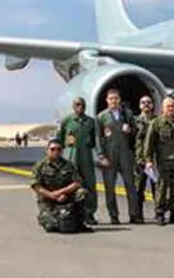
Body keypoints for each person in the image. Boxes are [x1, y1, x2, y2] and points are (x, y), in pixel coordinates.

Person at [95, 89, 140, 226]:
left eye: (116, 98)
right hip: (109, 155)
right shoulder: (101, 117)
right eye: (111, 99)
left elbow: (136, 132)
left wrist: (130, 130)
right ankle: (114, 216)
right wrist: (101, 156)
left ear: (119, 99)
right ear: (107, 100)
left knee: (131, 186)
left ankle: (134, 215)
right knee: (109, 188)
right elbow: (98, 138)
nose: (114, 101)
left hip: (125, 155)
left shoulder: (127, 114)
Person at [143, 97, 174, 225]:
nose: (171, 109)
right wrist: (148, 160)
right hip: (163, 161)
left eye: (173, 107)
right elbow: (149, 143)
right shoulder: (157, 123)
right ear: (163, 108)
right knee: (161, 188)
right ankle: (160, 213)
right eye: (168, 106)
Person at [56, 97, 99, 227]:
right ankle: (70, 212)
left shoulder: (91, 122)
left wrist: (100, 156)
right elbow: (60, 140)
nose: (80, 107)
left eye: (82, 105)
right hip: (71, 157)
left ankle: (89, 214)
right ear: (73, 107)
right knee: (70, 184)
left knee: (89, 184)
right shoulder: (67, 122)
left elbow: (94, 141)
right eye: (77, 104)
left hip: (86, 157)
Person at [30, 139, 88, 233]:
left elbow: (77, 182)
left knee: (82, 192)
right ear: (47, 150)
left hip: (65, 196)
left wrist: (60, 193)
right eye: (52, 149)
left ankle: (80, 222)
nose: (55, 152)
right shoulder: (40, 165)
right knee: (51, 225)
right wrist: (52, 195)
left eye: (59, 149)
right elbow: (36, 186)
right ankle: (51, 217)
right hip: (47, 198)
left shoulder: (68, 165)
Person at [132, 95, 155, 223]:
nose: (146, 104)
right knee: (139, 189)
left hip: (153, 160)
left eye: (148, 102)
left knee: (156, 188)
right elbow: (130, 141)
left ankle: (158, 213)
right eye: (143, 102)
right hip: (139, 160)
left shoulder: (157, 121)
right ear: (140, 105)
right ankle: (138, 214)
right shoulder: (135, 122)